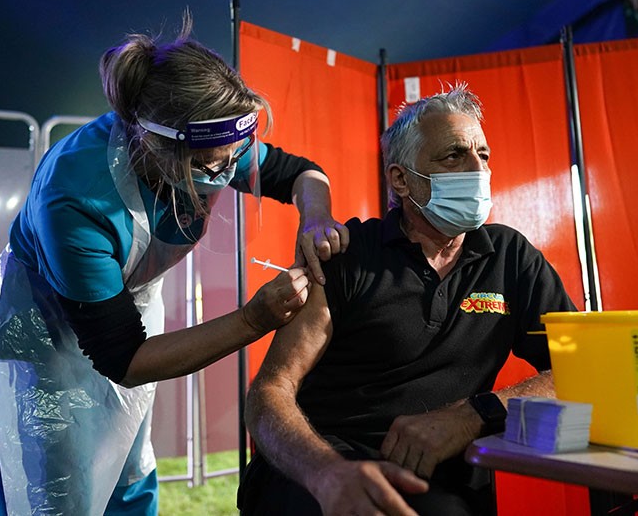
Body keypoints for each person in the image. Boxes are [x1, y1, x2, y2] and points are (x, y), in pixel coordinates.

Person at [0, 11, 348, 516]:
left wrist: (315, 218)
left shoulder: (215, 141)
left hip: (129, 305)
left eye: (234, 156)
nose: (226, 173)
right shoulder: (76, 199)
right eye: (210, 166)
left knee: (128, 458)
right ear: (154, 142)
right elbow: (124, 359)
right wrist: (252, 320)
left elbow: (302, 173)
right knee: (56, 485)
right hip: (44, 329)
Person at [238, 84, 577, 516]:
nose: (476, 169)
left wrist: (475, 414)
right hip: (321, 469)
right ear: (400, 179)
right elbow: (269, 393)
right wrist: (327, 473)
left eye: (483, 155)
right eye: (453, 155)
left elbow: (578, 370)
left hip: (441, 480)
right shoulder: (349, 256)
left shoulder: (511, 259)